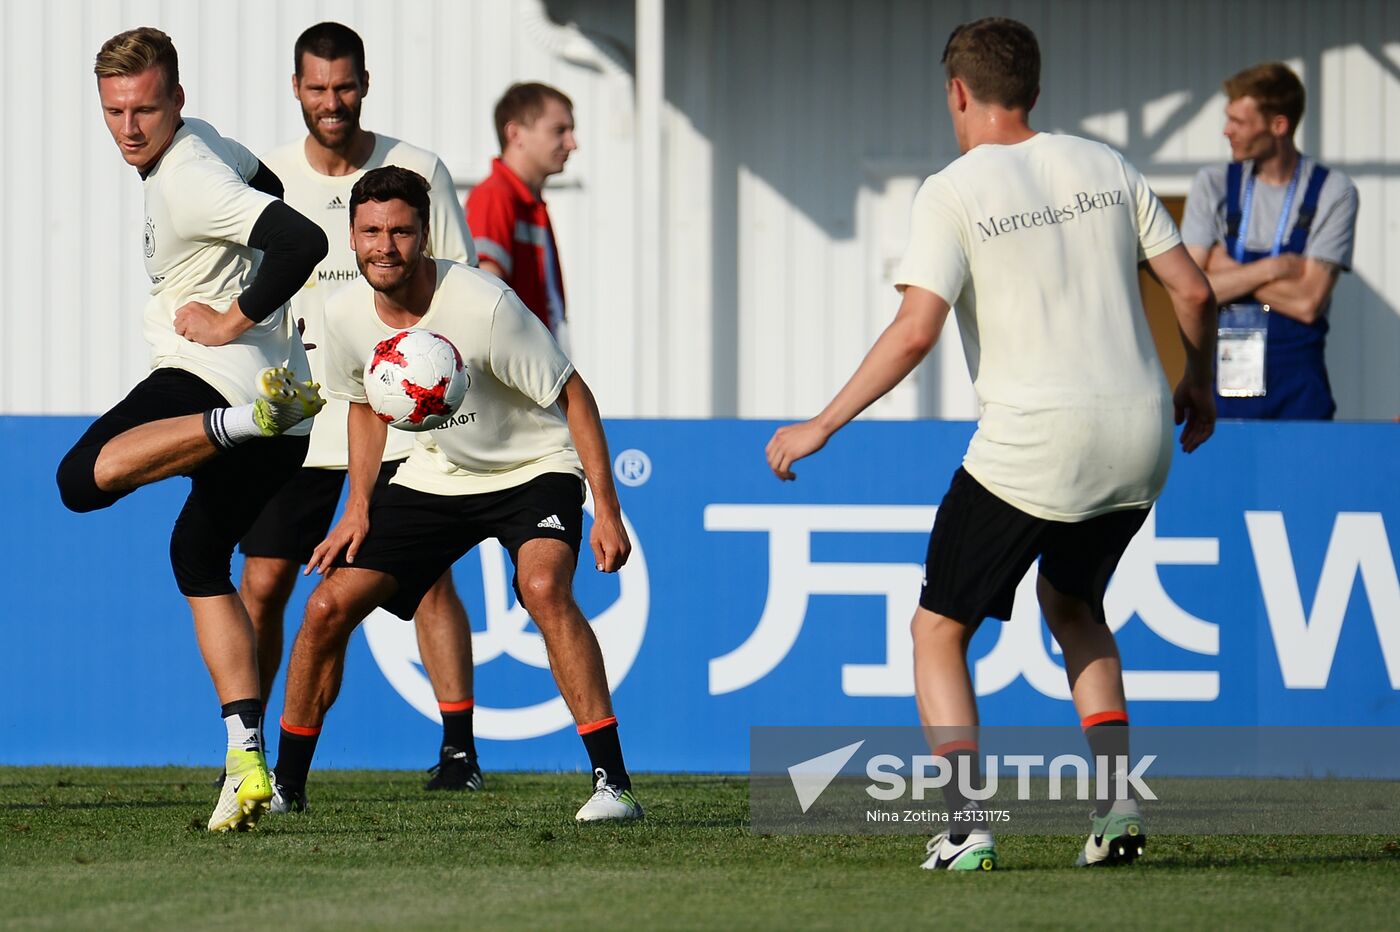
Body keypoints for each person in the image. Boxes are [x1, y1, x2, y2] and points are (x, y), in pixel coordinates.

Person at [764, 17, 1216, 870]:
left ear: (957, 93)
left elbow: (914, 331)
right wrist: (1200, 381)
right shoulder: (1108, 164)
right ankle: (1116, 813)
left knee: (939, 628)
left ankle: (966, 827)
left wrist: (821, 423)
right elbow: (1192, 291)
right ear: (1035, 93)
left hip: (1037, 438)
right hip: (1140, 431)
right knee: (1075, 607)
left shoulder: (953, 188)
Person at [269, 166, 642, 822]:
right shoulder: (344, 313)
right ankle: (284, 790)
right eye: (371, 231)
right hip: (437, 473)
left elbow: (573, 393)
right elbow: (360, 404)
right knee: (326, 607)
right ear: (351, 239)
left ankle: (613, 786)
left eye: (401, 231)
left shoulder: (484, 304)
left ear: (427, 234)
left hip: (533, 468)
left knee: (546, 589)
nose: (385, 245)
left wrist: (605, 509)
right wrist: (358, 506)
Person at [56, 27, 328, 832]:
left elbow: (301, 237)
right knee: (198, 555)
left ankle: (242, 421)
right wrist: (265, 312)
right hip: (285, 405)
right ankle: (246, 759)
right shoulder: (207, 147)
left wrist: (234, 315)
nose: (129, 127)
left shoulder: (187, 178)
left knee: (79, 482)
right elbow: (271, 182)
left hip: (221, 381)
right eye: (114, 111)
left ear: (177, 100)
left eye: (145, 108)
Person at [240, 21, 485, 792]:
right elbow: (243, 292)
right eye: (317, 88)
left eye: (344, 86)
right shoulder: (266, 177)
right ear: (296, 91)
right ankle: (243, 748)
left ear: (365, 83)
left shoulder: (416, 168)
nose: (332, 102)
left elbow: (459, 287)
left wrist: (422, 393)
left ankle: (458, 753)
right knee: (265, 582)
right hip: (300, 419)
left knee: (429, 580)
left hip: (401, 421)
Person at [1182, 62, 1358, 420]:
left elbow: (1309, 302)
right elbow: (1190, 287)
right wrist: (1274, 268)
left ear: (1279, 125)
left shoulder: (1332, 191)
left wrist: (1227, 271)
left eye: (1239, 122)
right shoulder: (1212, 184)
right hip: (1220, 393)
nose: (1226, 131)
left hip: (1299, 395)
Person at [465, 82, 575, 335]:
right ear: (515, 134)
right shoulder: (494, 196)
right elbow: (485, 298)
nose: (572, 143)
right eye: (560, 131)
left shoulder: (527, 202)